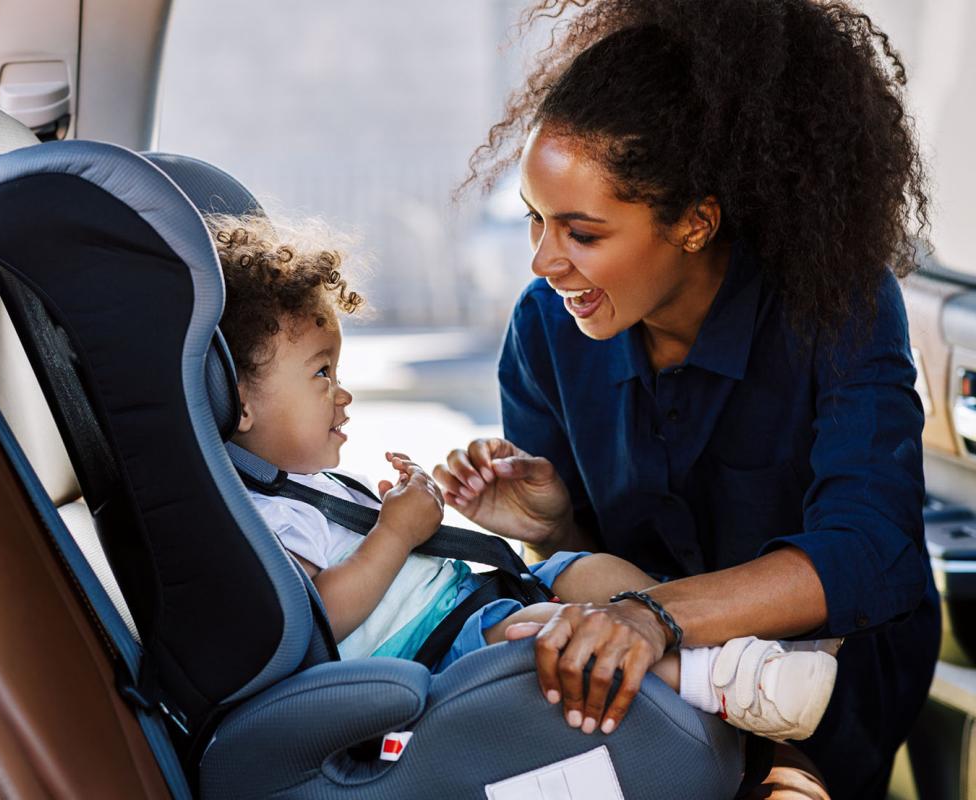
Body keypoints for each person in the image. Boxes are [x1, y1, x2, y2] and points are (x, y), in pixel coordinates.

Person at [434, 0, 940, 797]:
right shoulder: (546, 330)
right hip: (652, 686)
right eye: (535, 221)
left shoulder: (834, 302)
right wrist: (553, 526)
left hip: (822, 685)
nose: (542, 262)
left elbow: (872, 552)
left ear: (697, 222)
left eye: (582, 233)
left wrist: (653, 614)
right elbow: (588, 567)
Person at [212, 213, 838, 742]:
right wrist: (395, 535)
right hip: (433, 653)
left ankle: (729, 649)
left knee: (584, 570)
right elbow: (317, 618)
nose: (343, 394)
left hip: (471, 604)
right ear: (238, 401)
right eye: (322, 374)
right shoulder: (257, 517)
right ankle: (724, 686)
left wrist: (404, 515)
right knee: (547, 633)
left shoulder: (310, 489)